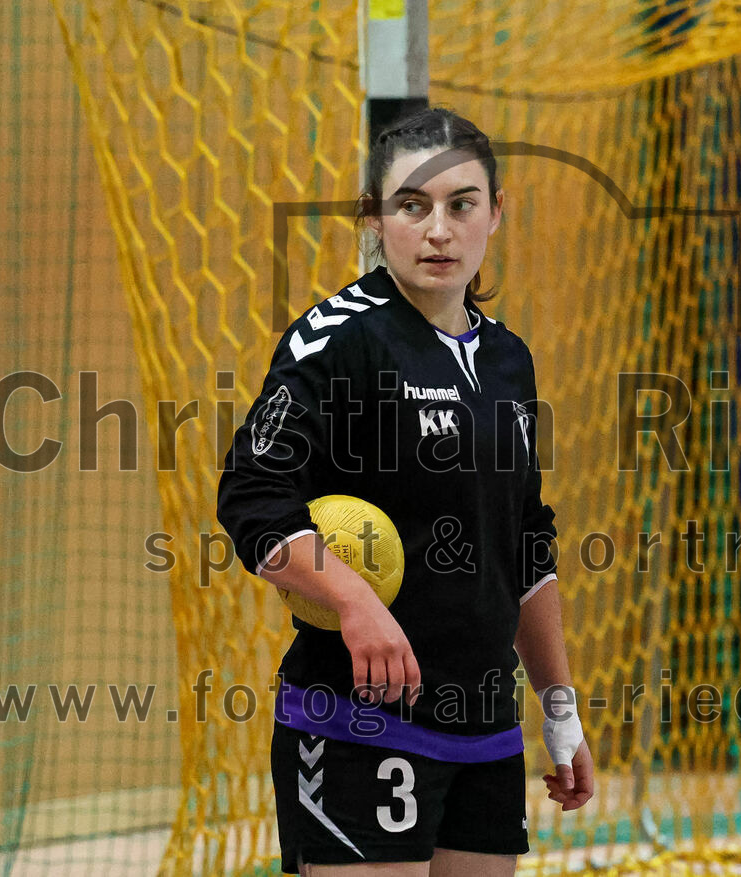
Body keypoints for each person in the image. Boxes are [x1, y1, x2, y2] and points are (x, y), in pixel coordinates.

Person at [218, 107, 593, 876]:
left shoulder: (508, 360)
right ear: (374, 218)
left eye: (461, 205)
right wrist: (354, 601)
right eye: (411, 207)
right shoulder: (338, 339)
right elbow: (252, 494)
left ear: (496, 210)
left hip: (485, 725)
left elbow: (525, 538)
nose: (438, 231)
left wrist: (560, 711)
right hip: (357, 721)